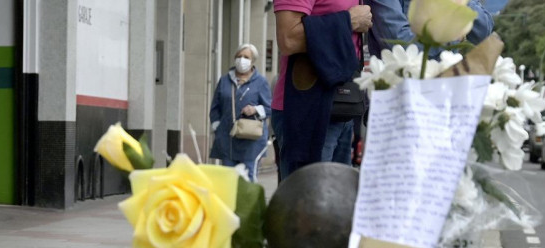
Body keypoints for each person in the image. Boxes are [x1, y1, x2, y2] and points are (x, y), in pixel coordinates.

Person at [273, 0, 373, 179]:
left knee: (337, 201)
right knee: (307, 200)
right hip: (308, 108)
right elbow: (288, 38)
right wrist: (350, 20)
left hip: (341, 108)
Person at [209, 44, 273, 182]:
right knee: (228, 181)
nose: (241, 60)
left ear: (252, 61)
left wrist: (255, 109)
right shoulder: (225, 80)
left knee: (248, 180)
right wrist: (217, 126)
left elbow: (269, 108)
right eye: (239, 56)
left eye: (246, 57)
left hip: (251, 141)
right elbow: (215, 107)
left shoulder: (260, 82)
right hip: (228, 139)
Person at [366, 0, 493, 58]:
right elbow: (400, 43)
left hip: (446, 89)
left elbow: (483, 32)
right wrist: (453, 37)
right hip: (400, 94)